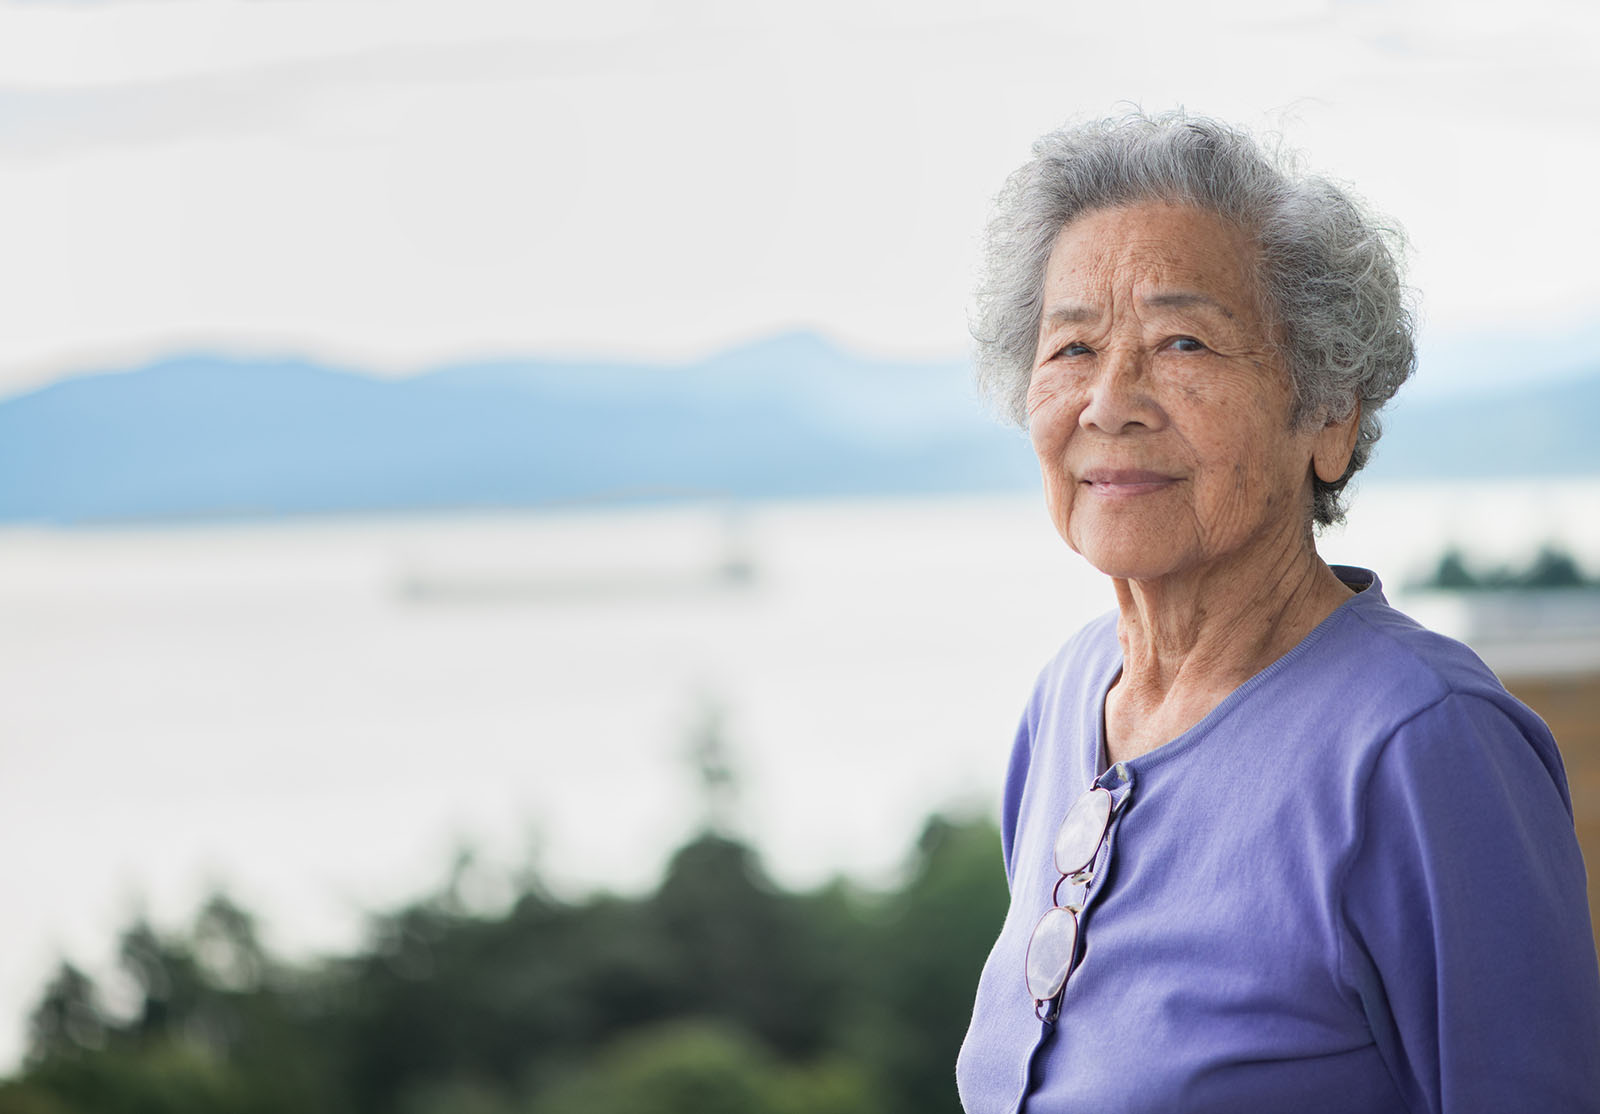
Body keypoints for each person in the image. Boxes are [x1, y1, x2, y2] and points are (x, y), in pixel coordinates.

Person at [954, 112, 1600, 1113]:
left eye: (1182, 340)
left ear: (1327, 413)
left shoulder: (1424, 745)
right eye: (1071, 345)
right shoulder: (1068, 697)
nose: (1110, 400)